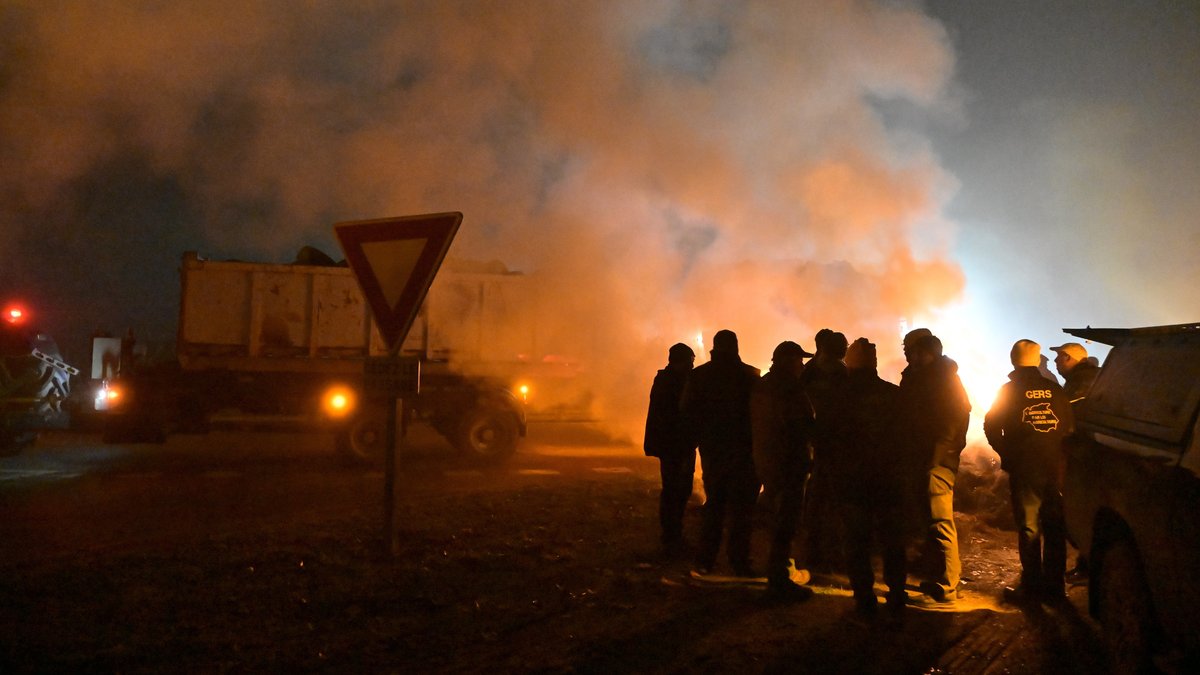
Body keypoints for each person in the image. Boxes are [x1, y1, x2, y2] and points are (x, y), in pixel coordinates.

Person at [984, 340, 1075, 603]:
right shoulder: (1055, 390)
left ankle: (1033, 588)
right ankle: (1056, 589)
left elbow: (990, 425)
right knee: (1055, 527)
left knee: (1029, 527)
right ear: (1036, 361)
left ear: (1014, 360)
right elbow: (1069, 428)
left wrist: (1007, 453)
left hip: (1026, 470)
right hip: (1055, 467)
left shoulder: (1009, 391)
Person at [826, 338, 908, 615]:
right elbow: (908, 438)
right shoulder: (894, 395)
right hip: (888, 481)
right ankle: (897, 594)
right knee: (892, 541)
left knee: (856, 542)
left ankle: (864, 598)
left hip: (852, 483)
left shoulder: (838, 396)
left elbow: (825, 438)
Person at [680, 329, 762, 578]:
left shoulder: (699, 376)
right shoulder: (750, 376)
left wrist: (696, 442)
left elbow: (687, 412)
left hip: (713, 452)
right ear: (736, 347)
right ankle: (739, 562)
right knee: (742, 511)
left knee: (714, 507)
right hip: (744, 453)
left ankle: (705, 561)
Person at [899, 330, 971, 606]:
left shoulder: (944, 379)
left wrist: (937, 458)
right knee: (928, 522)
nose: (906, 353)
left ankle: (948, 585)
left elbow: (956, 422)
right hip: (919, 459)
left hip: (935, 464)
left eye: (910, 348)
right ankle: (935, 576)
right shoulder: (917, 376)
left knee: (940, 522)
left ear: (926, 351)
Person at [751, 340, 816, 601]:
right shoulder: (789, 389)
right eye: (799, 361)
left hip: (768, 462)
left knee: (777, 520)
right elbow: (803, 427)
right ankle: (779, 581)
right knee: (786, 524)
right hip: (789, 464)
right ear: (788, 361)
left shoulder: (763, 385)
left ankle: (780, 572)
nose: (802, 366)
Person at [1049, 341, 1101, 583]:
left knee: (1079, 509)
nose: (1056, 362)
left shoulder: (1081, 383)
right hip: (1088, 455)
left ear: (1070, 358)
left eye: (1060, 357)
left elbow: (1067, 416)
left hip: (1083, 456)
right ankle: (1086, 563)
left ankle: (1090, 566)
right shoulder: (1082, 379)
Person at [799, 328, 849, 572]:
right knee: (833, 500)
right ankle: (828, 554)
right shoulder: (840, 373)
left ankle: (812, 551)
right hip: (834, 444)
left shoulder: (809, 371)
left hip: (816, 443)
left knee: (817, 499)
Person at [643, 342, 699, 557]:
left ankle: (672, 535)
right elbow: (679, 416)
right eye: (690, 362)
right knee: (677, 490)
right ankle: (672, 536)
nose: (692, 366)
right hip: (676, 446)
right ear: (682, 361)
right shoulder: (674, 383)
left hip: (672, 445)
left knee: (674, 490)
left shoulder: (665, 380)